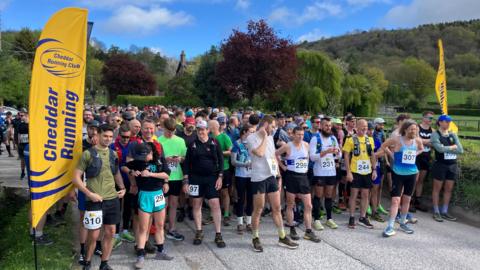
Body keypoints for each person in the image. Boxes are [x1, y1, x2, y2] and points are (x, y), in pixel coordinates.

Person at [72, 124, 127, 270]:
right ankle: (88, 263)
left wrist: (122, 188)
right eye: (105, 136)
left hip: (113, 199)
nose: (108, 139)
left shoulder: (113, 154)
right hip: (95, 200)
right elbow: (76, 178)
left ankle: (104, 263)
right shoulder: (88, 154)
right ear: (98, 135)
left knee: (111, 232)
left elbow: (116, 173)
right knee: (94, 235)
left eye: (110, 136)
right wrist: (89, 194)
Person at [246, 115, 298, 252]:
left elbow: (271, 156)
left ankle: (282, 236)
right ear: (265, 125)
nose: (274, 129)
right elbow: (260, 153)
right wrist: (263, 136)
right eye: (272, 126)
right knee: (258, 209)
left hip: (271, 176)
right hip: (258, 178)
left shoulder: (269, 138)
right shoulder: (251, 138)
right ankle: (255, 238)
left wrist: (278, 175)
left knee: (276, 207)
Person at [127, 142, 173, 269]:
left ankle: (160, 251)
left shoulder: (159, 160)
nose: (142, 159)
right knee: (143, 227)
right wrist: (132, 171)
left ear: (151, 153)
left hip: (158, 194)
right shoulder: (138, 161)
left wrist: (151, 174)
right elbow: (124, 167)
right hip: (144, 195)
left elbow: (166, 174)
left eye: (144, 156)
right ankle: (140, 256)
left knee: (159, 225)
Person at [182, 120, 226, 248]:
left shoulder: (214, 142)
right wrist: (186, 181)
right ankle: (199, 231)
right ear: (197, 131)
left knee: (215, 204)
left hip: (212, 178)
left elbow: (221, 161)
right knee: (196, 204)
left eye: (203, 129)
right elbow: (186, 164)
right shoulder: (192, 144)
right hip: (195, 179)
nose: (201, 132)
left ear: (208, 130)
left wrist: (220, 177)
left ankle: (218, 234)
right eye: (199, 129)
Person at [377, 120, 424, 237]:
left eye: (415, 129)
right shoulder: (397, 139)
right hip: (398, 173)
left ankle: (403, 222)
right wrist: (393, 156)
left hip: (412, 173)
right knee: (395, 200)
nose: (414, 131)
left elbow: (421, 149)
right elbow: (384, 145)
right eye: (412, 129)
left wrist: (415, 154)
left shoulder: (417, 140)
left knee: (407, 199)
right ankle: (390, 225)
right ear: (405, 129)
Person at [276, 126, 321, 243]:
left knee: (308, 205)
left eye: (302, 134)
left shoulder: (306, 145)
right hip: (291, 176)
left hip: (303, 177)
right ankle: (291, 227)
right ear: (293, 135)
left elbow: (308, 158)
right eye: (298, 134)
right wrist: (283, 166)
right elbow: (275, 154)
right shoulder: (287, 145)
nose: (300, 137)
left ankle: (308, 231)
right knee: (290, 204)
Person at [343, 119, 377, 229]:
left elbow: (372, 155)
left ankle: (363, 217)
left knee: (365, 195)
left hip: (367, 171)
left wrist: (374, 169)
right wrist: (348, 172)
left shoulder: (370, 139)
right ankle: (352, 217)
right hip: (355, 171)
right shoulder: (350, 139)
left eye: (366, 127)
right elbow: (346, 156)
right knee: (353, 194)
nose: (364, 129)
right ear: (356, 127)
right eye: (362, 126)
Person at [310, 117, 342, 230]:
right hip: (319, 172)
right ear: (321, 126)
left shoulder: (333, 138)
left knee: (329, 195)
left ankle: (329, 219)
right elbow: (312, 157)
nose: (328, 128)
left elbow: (339, 155)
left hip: (331, 171)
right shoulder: (315, 139)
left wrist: (338, 153)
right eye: (326, 126)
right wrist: (326, 152)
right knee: (318, 195)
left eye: (329, 126)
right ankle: (316, 219)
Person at [158, 117, 187, 241]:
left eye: (173, 130)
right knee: (163, 204)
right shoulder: (159, 141)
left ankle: (172, 228)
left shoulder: (180, 140)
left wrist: (179, 159)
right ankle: (160, 227)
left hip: (176, 176)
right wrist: (165, 159)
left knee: (174, 203)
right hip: (163, 176)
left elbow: (185, 157)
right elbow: (156, 159)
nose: (171, 133)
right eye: (169, 130)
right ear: (163, 128)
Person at [430, 115, 464, 222]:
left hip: (452, 165)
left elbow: (460, 150)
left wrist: (447, 149)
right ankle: (436, 211)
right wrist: (452, 147)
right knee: (437, 189)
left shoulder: (452, 134)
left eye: (449, 122)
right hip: (440, 165)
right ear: (440, 122)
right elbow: (439, 149)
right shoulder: (435, 134)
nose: (448, 123)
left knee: (448, 189)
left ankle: (444, 211)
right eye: (446, 121)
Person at [209, 120, 233, 226]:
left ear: (214, 127)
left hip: (224, 168)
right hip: (212, 169)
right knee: (213, 193)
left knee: (224, 192)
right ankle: (213, 214)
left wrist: (218, 152)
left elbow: (231, 151)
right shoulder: (209, 138)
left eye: (209, 125)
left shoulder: (224, 137)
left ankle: (226, 214)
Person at [231, 125, 254, 234]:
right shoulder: (237, 144)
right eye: (251, 131)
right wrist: (245, 164)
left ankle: (249, 222)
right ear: (244, 132)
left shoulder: (253, 143)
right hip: (241, 175)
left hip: (252, 176)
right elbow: (233, 161)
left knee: (251, 199)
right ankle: (240, 223)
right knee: (241, 199)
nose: (252, 134)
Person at [414, 111, 435, 212]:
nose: (431, 120)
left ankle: (418, 201)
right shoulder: (417, 127)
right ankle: (409, 201)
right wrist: (427, 141)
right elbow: (416, 140)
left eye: (432, 118)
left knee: (421, 180)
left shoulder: (433, 130)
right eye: (430, 118)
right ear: (424, 118)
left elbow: (434, 142)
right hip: (417, 156)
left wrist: (423, 141)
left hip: (426, 157)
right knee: (415, 179)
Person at [17, 111, 29, 179]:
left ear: (26, 116)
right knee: (22, 159)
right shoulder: (20, 124)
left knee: (29, 159)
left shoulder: (31, 124)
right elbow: (19, 134)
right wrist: (18, 144)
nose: (20, 117)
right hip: (21, 144)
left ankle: (30, 172)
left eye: (22, 115)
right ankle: (22, 172)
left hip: (28, 145)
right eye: (20, 116)